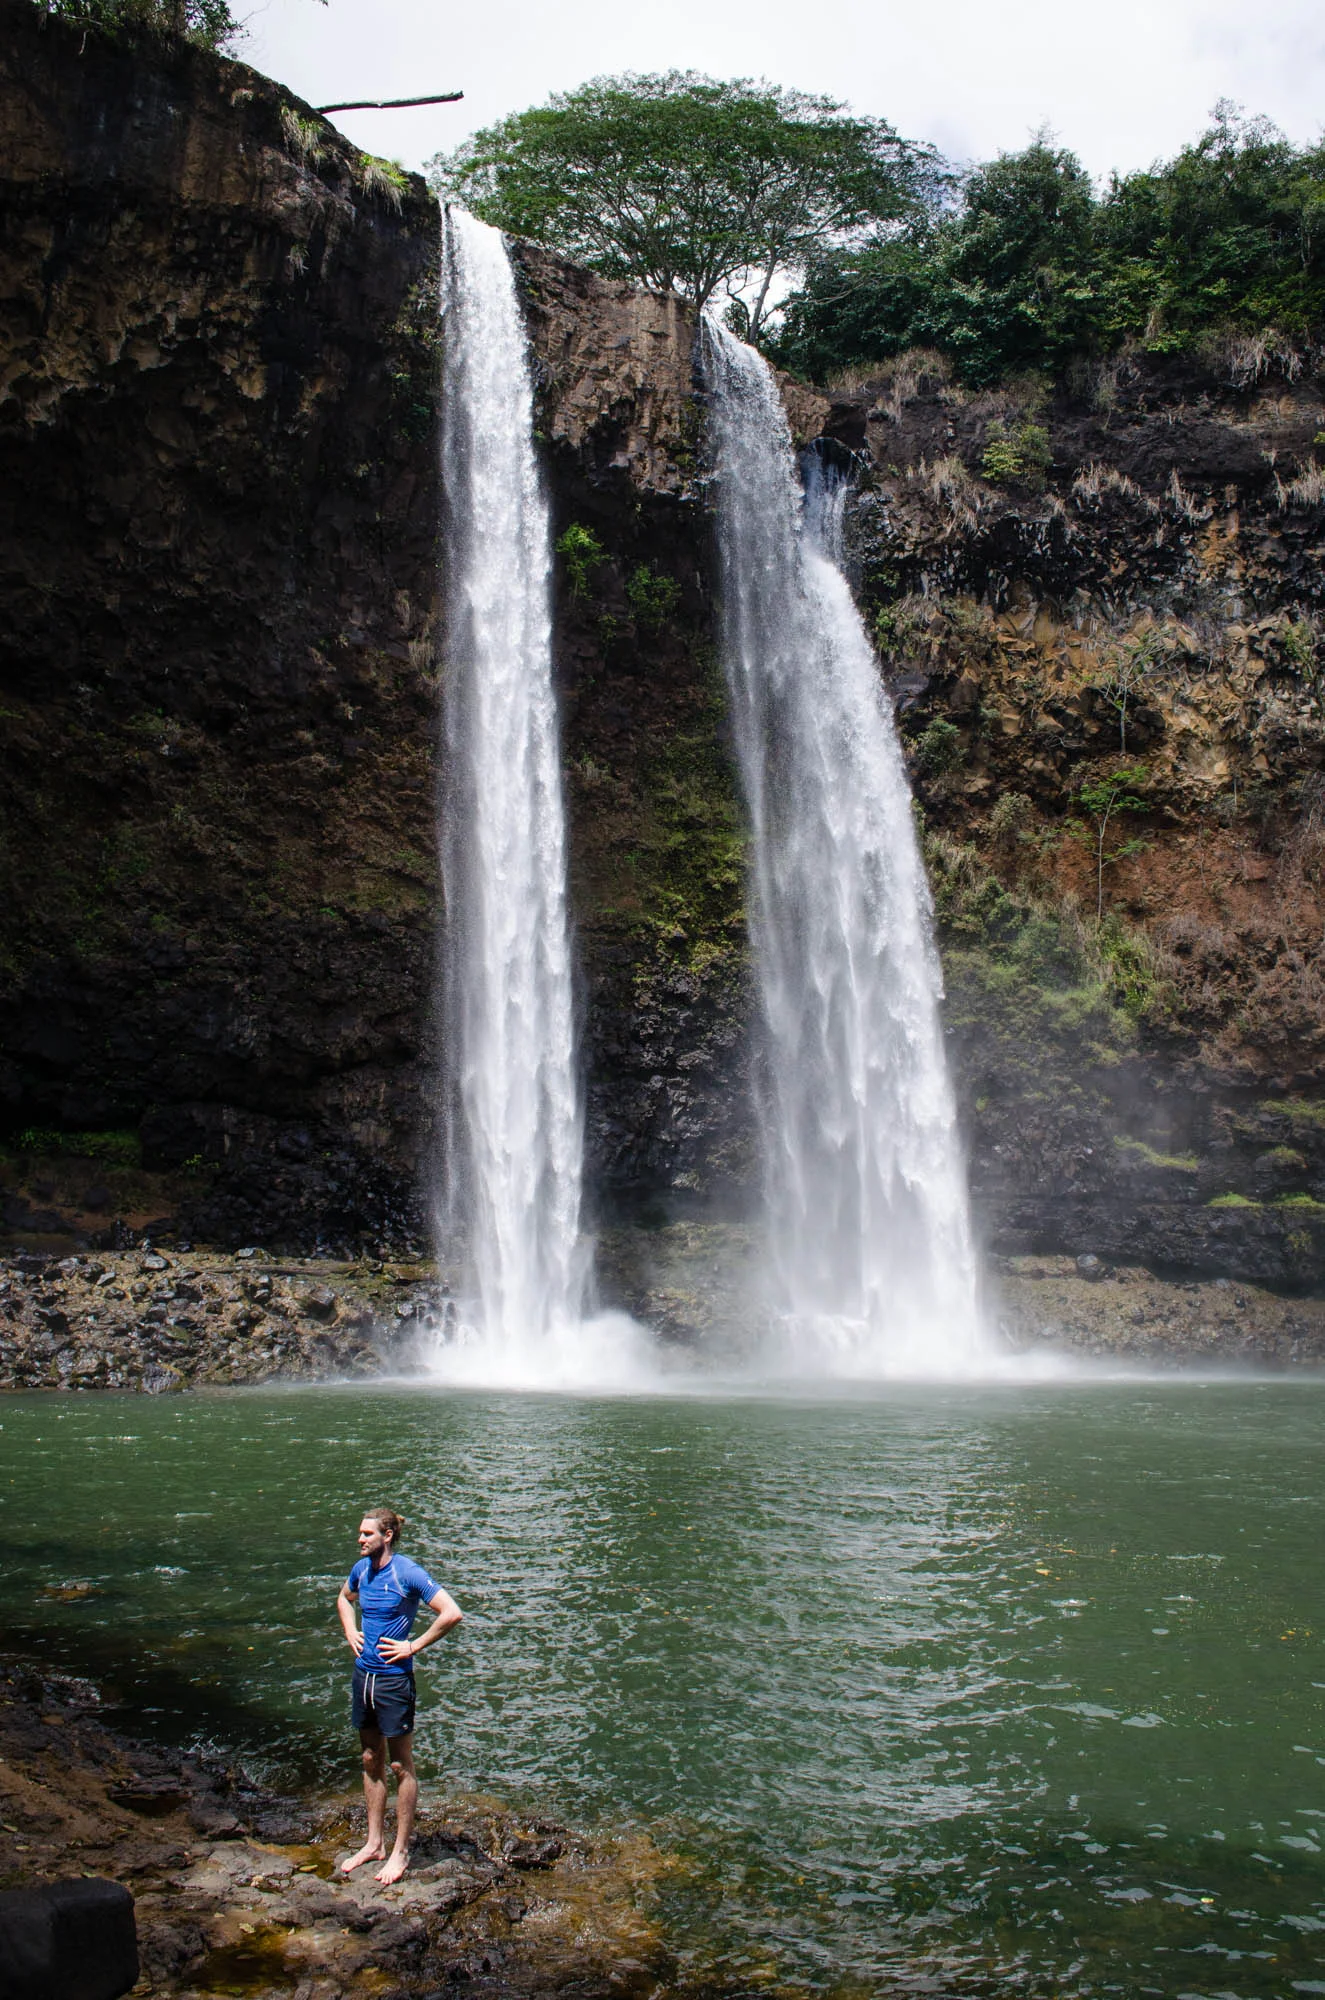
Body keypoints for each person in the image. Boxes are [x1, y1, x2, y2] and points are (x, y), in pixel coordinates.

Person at [336, 1506, 463, 1884]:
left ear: (387, 1536)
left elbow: (451, 1612)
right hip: (364, 1678)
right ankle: (374, 1843)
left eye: (367, 1534)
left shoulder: (407, 1572)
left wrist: (413, 1646)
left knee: (399, 1765)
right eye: (360, 1533)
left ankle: (401, 1850)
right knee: (370, 1757)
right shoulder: (361, 1570)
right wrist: (350, 1630)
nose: (360, 1539)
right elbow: (344, 1599)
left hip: (394, 1680)